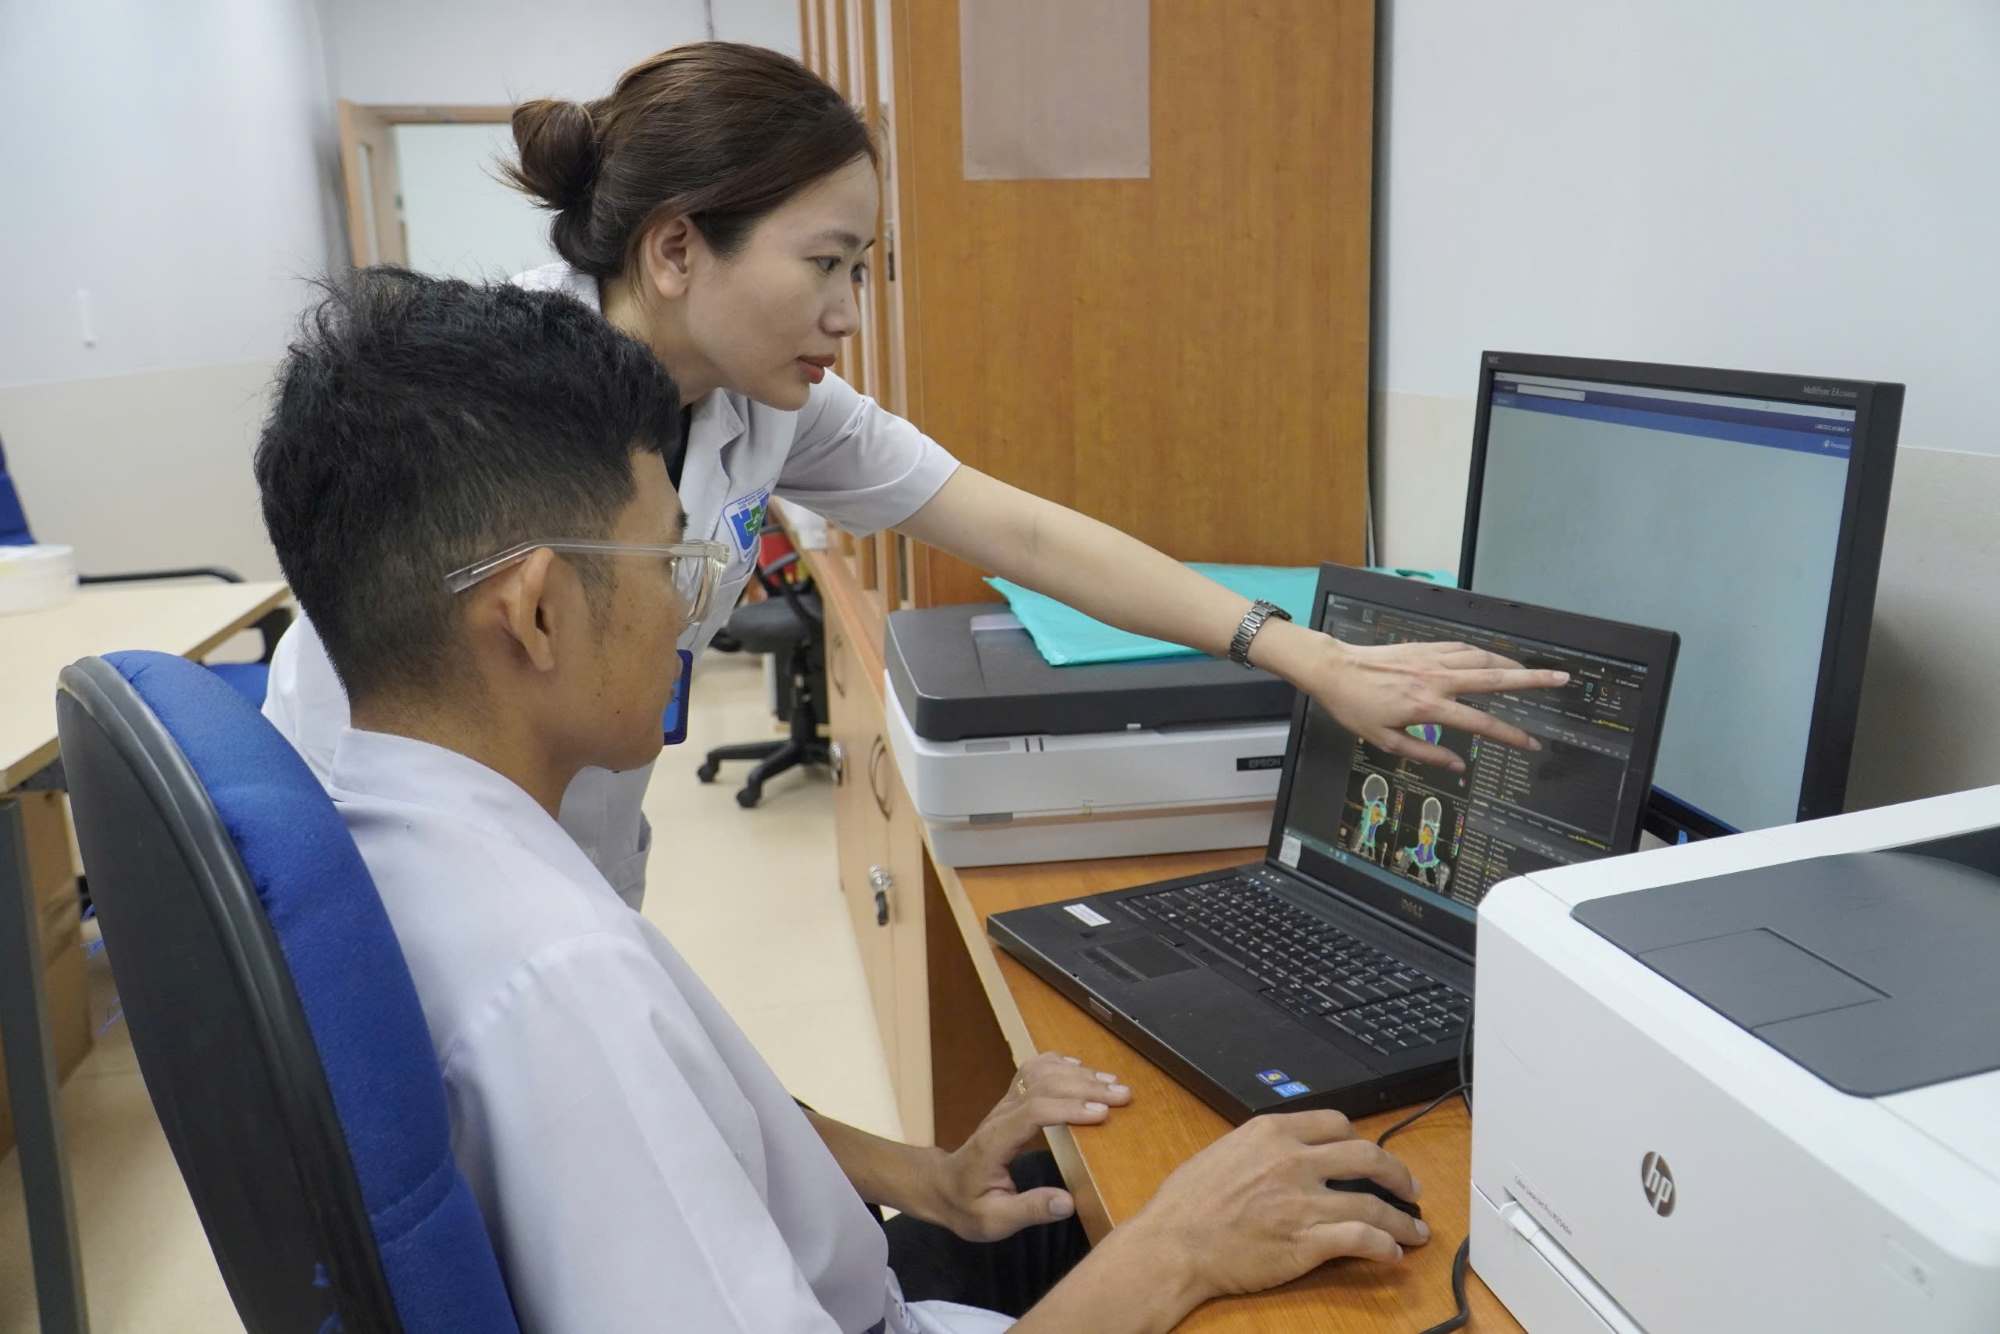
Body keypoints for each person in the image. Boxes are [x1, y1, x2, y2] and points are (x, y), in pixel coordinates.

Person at [254, 268, 1431, 1331]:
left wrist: (920, 1174)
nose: (690, 612)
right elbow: (612, 1082)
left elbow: (668, 1129)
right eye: (670, 563)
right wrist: (1178, 1251)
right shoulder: (561, 979)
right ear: (536, 612)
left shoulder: (392, 823)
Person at [261, 42, 1566, 911]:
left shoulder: (768, 403)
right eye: (824, 263)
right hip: (389, 858)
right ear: (674, 250)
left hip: (573, 861)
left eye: (861, 270)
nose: (847, 312)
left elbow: (1026, 532)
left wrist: (1302, 653)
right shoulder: (469, 405)